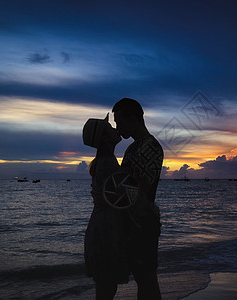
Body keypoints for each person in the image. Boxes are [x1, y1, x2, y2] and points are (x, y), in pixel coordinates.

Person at [113, 98, 164, 300]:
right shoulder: (132, 148)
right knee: (142, 278)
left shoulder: (150, 147)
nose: (117, 127)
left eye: (119, 121)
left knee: (147, 278)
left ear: (133, 119)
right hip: (134, 221)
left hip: (142, 222)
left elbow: (140, 190)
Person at [83, 114, 130, 300]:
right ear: (104, 137)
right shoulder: (108, 162)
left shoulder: (105, 161)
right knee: (107, 289)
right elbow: (123, 196)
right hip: (105, 231)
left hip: (102, 228)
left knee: (106, 288)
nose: (114, 128)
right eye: (109, 128)